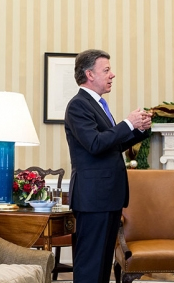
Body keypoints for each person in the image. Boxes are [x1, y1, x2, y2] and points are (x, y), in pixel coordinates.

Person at [64, 49, 152, 283]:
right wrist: (127, 123)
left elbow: (111, 145)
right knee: (90, 266)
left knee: (102, 266)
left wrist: (139, 128)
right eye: (106, 70)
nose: (112, 75)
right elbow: (94, 144)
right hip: (93, 199)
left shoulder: (99, 105)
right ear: (89, 74)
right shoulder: (78, 105)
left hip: (108, 197)